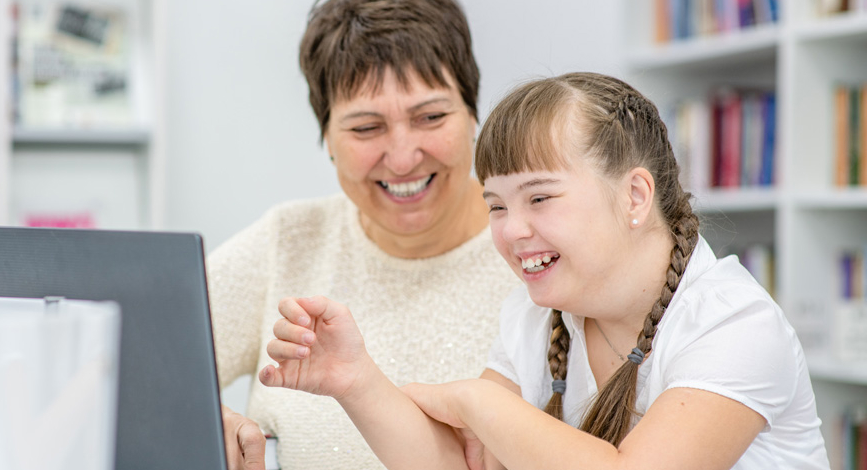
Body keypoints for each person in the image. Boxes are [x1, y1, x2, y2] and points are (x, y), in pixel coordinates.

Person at [260, 72, 831, 469]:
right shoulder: (539, 315)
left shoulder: (735, 325)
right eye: (497, 205)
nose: (510, 232)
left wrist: (479, 403)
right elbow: (461, 464)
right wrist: (355, 382)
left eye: (539, 199)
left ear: (635, 196)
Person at [206, 0, 519, 468]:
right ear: (327, 139)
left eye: (430, 117)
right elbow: (127, 359)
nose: (402, 158)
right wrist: (206, 420)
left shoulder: (538, 254)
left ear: (474, 114)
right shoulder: (286, 241)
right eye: (367, 127)